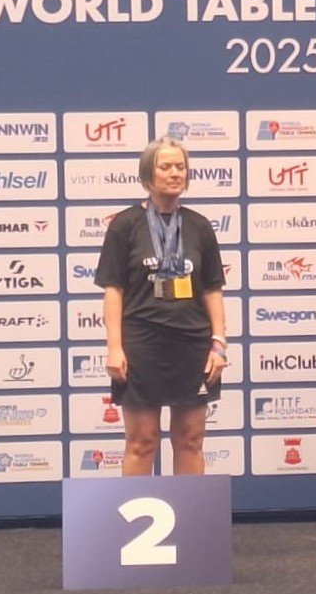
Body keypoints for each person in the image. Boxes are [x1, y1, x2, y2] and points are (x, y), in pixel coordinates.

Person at [95, 136, 228, 476]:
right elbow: (113, 290)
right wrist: (114, 348)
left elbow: (212, 289)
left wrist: (218, 344)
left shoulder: (199, 226)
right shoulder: (125, 225)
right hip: (142, 344)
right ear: (147, 174)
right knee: (142, 441)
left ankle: (189, 511)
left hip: (192, 344)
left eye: (180, 167)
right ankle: (135, 511)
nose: (175, 173)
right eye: (165, 167)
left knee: (190, 440)